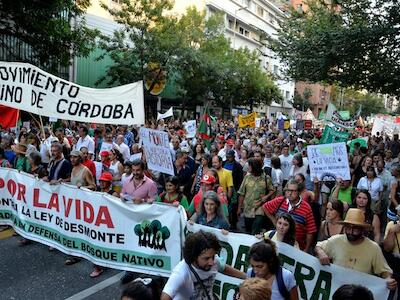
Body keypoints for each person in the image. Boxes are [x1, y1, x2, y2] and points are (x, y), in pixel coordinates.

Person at [315, 208, 396, 290]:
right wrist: (320, 252)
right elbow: (318, 246)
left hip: (359, 293)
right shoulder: (336, 240)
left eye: (355, 229)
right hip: (337, 291)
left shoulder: (373, 248)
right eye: (348, 228)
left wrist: (388, 279)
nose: (351, 232)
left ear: (362, 229)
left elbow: (384, 271)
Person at [161, 230, 246, 300]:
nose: (212, 262)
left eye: (213, 256)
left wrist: (248, 278)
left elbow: (225, 268)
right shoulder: (181, 273)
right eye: (206, 258)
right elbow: (165, 296)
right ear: (193, 256)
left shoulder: (214, 261)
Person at [263, 179, 317, 252]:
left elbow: (310, 231)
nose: (289, 193)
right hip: (278, 244)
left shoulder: (306, 208)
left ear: (299, 192)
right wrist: (275, 222)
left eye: (293, 191)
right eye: (288, 190)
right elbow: (265, 207)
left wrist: (306, 249)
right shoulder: (280, 201)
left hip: (297, 248)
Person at [89, 172, 119, 278]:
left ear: (109, 183)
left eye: (104, 181)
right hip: (97, 222)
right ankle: (98, 266)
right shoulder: (97, 192)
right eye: (100, 181)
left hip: (108, 222)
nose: (101, 183)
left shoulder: (113, 194)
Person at [237, 158, 275, 235]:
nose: (248, 167)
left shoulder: (266, 178)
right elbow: (241, 193)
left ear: (255, 167)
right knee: (248, 231)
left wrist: (266, 196)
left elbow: (272, 190)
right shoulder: (247, 177)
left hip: (259, 208)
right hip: (247, 208)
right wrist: (239, 208)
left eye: (250, 166)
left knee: (255, 230)